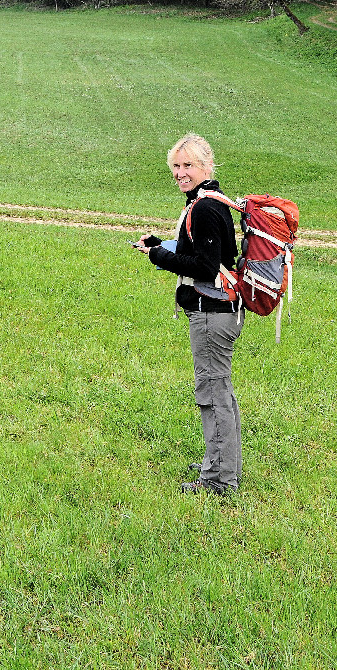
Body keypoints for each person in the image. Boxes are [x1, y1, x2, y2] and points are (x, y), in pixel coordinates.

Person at [134, 133, 243, 496]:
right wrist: (159, 244)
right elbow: (200, 250)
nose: (181, 173)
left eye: (188, 166)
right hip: (216, 312)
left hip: (212, 315)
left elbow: (206, 266)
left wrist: (159, 258)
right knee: (219, 391)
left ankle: (219, 481)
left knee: (212, 393)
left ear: (206, 166)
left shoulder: (206, 208)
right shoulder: (207, 202)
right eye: (177, 166)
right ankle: (221, 465)